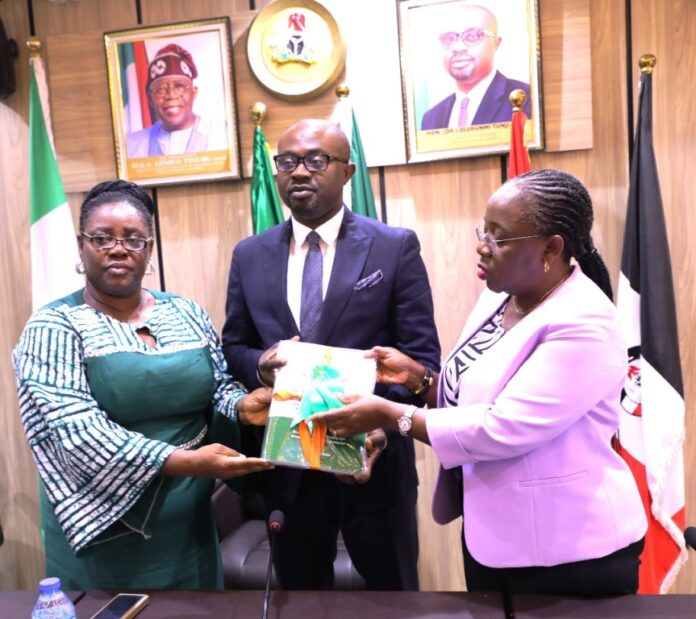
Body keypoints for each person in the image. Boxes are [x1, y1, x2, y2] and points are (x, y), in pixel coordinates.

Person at [310, 169, 648, 597]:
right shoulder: (502, 294)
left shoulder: (585, 322)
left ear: (551, 247)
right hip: (497, 536)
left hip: (569, 551)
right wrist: (421, 381)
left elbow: (504, 427)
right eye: (482, 230)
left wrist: (392, 415)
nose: (481, 246)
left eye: (498, 237)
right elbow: (477, 394)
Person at [13, 180, 274, 590]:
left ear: (149, 249)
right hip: (104, 533)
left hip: (189, 531)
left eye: (133, 239)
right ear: (81, 247)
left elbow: (218, 385)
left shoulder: (185, 311)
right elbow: (76, 433)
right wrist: (189, 463)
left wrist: (242, 406)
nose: (119, 249)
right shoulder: (53, 326)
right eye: (102, 238)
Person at [221, 119, 441, 590]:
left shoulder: (393, 246)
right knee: (301, 603)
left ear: (347, 171)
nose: (299, 172)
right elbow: (233, 348)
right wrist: (260, 363)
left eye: (316, 160)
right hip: (289, 473)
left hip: (374, 466)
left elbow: (420, 358)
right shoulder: (250, 254)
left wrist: (380, 428)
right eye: (287, 162)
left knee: (393, 598)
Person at [421, 4, 531, 130]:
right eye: (448, 40)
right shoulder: (431, 118)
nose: (458, 48)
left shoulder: (526, 99)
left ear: (496, 43)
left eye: (472, 36)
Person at [126, 43, 227, 158]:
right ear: (150, 99)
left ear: (193, 93)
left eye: (179, 87)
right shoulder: (131, 145)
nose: (171, 95)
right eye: (161, 89)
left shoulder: (224, 135)